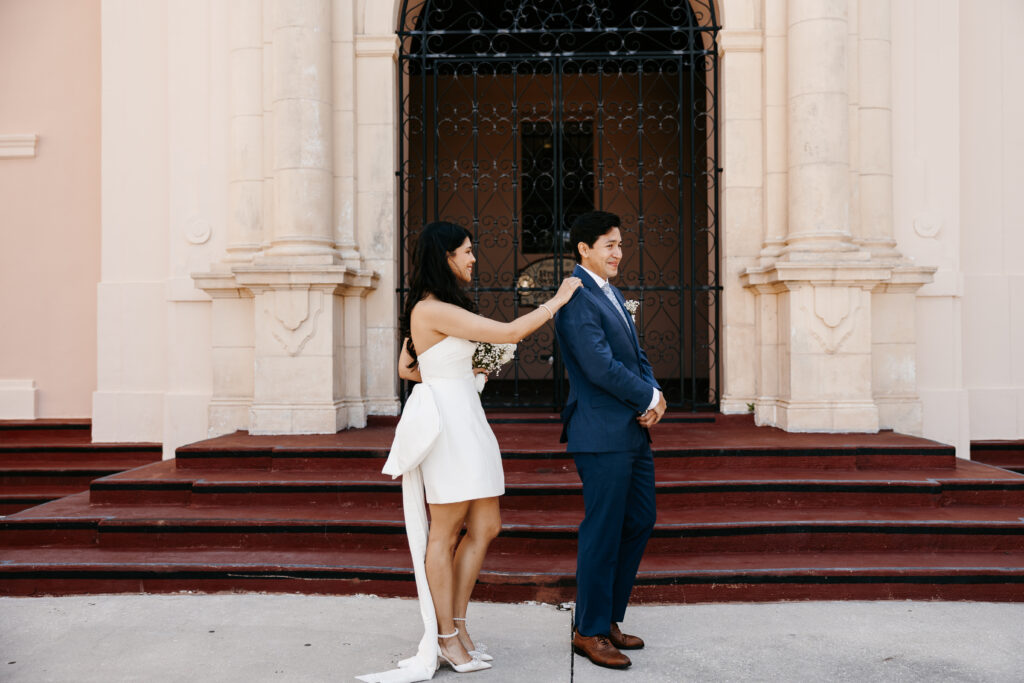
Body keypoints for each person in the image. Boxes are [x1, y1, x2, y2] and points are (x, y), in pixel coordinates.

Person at [361, 221, 581, 682]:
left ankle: (458, 624)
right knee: (444, 531)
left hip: (467, 417)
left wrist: (461, 371)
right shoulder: (432, 308)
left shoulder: (440, 308)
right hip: (449, 426)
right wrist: (558, 299)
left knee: (486, 524)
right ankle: (444, 636)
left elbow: (407, 366)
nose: (473, 258)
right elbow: (510, 332)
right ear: (445, 257)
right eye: (465, 251)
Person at [553, 210, 666, 670]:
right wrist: (646, 395)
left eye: (620, 244)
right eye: (610, 245)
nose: (619, 253)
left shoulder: (612, 293)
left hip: (631, 430)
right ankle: (589, 630)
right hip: (600, 432)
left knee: (640, 518)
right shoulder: (578, 297)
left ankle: (608, 617)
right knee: (602, 531)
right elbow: (599, 366)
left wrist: (656, 396)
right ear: (584, 249)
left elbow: (636, 356)